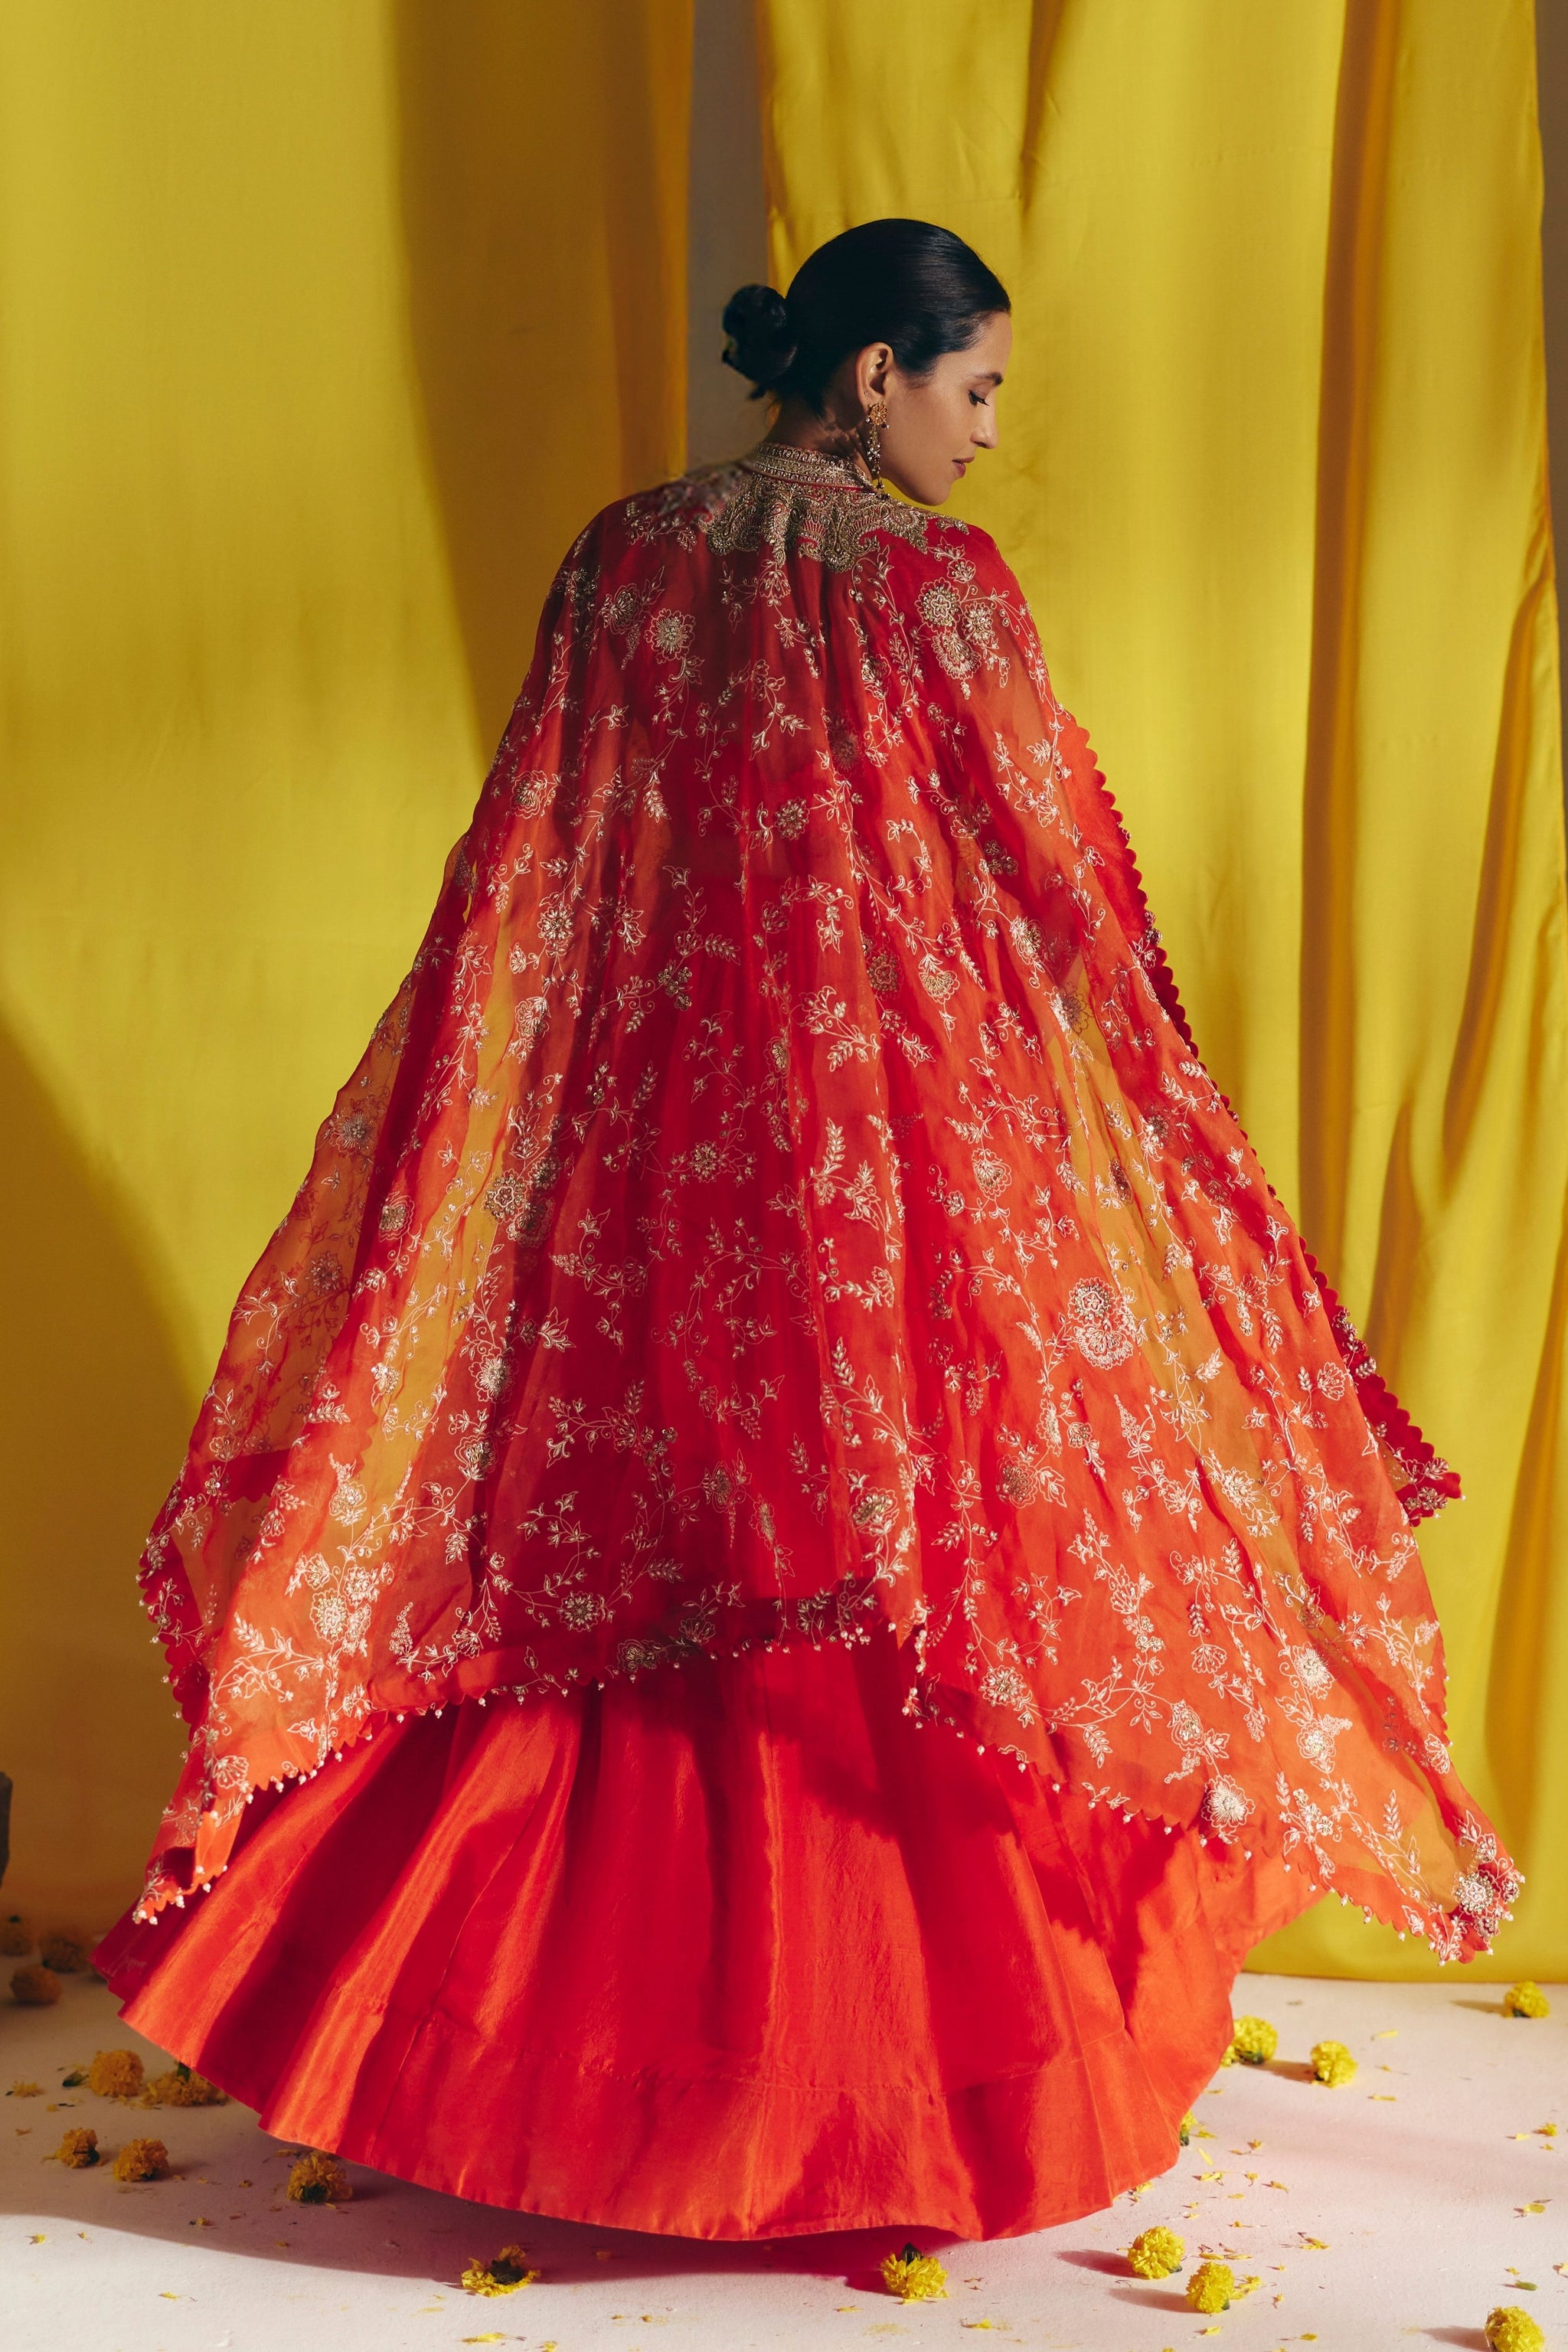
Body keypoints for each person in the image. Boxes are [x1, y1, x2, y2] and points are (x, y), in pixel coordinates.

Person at [94, 219, 1518, 2242]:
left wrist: (502, 1132)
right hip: (881, 1139)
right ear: (875, 376)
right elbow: (1051, 882)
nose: (987, 433)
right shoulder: (934, 585)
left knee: (631, 1518)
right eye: (977, 388)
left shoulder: (623, 554)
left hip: (645, 1127)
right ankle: (873, 2099)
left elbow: (535, 858)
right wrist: (1134, 1116)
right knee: (879, 1518)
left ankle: (520, 2078)